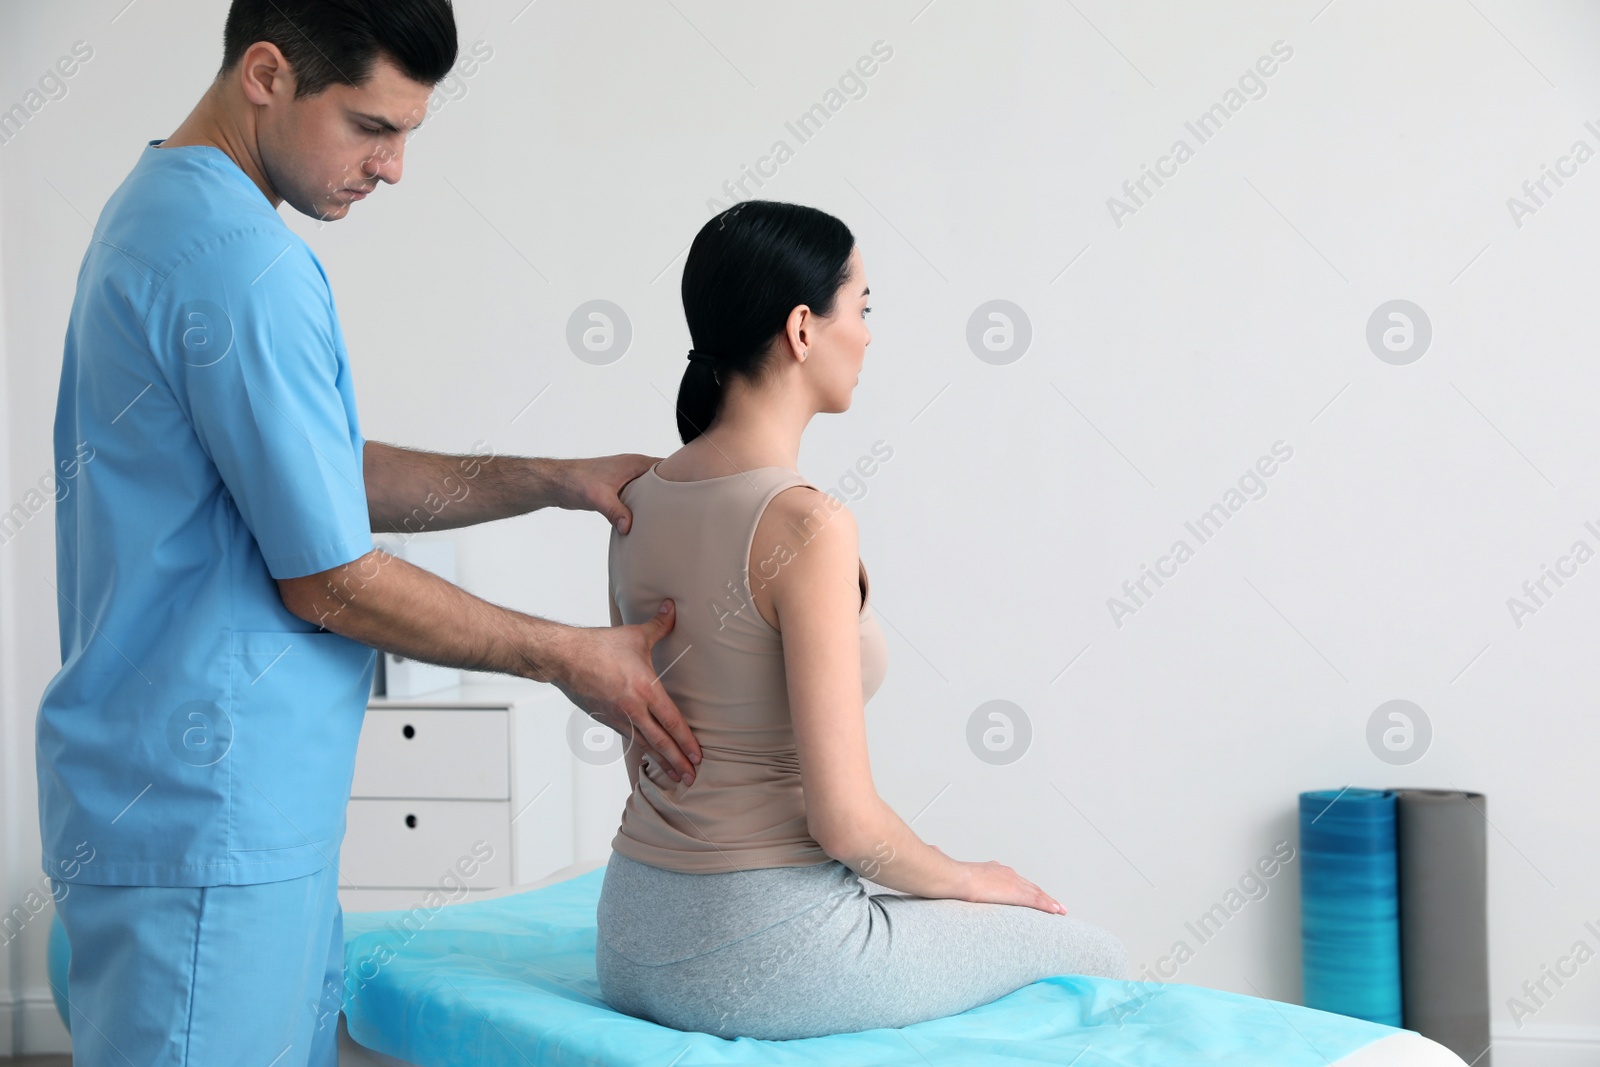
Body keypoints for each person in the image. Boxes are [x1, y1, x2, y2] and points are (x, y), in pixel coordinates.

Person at [36, 3, 700, 1064]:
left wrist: (549, 478)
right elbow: (330, 578)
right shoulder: (240, 265)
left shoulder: (168, 208)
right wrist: (570, 653)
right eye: (370, 126)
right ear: (265, 73)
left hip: (210, 803)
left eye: (407, 135)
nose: (391, 167)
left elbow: (313, 475)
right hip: (209, 816)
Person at [595, 200, 1130, 1040]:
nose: (871, 335)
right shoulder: (804, 523)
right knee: (1089, 952)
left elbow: (641, 743)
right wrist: (970, 877)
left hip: (628, 931)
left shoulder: (633, 499)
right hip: (760, 954)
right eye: (864, 307)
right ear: (803, 328)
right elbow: (842, 821)